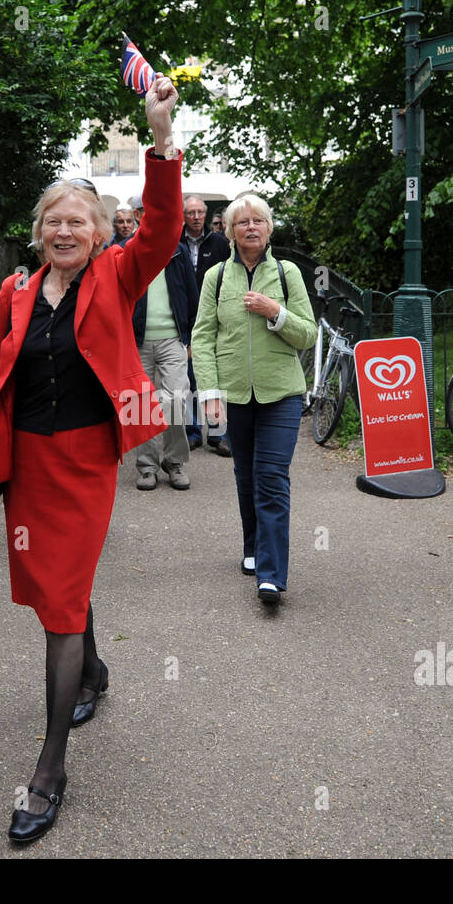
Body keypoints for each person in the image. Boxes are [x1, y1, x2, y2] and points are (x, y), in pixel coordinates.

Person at [0, 74, 183, 843]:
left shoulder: (119, 272)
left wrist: (160, 142)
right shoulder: (14, 294)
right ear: (39, 231)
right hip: (26, 466)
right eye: (54, 220)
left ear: (99, 233)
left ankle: (49, 768)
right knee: (57, 586)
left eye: (79, 220)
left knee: (58, 606)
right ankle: (98, 672)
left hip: (85, 462)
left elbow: (164, 230)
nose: (66, 230)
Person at [191, 194, 316, 603]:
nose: (250, 227)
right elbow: (203, 337)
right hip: (234, 394)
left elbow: (307, 334)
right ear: (229, 231)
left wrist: (274, 311)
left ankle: (271, 574)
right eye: (241, 222)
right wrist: (209, 393)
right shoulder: (215, 277)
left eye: (257, 220)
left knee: (271, 478)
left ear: (269, 227)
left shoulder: (287, 273)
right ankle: (252, 547)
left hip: (282, 392)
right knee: (245, 476)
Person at [132, 242, 197, 490]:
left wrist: (190, 338)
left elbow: (192, 294)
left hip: (173, 338)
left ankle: (175, 462)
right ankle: (147, 467)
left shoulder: (177, 251)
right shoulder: (131, 250)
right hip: (137, 340)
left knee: (176, 399)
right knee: (141, 403)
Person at [181, 195, 233, 456]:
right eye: (191, 212)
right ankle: (192, 431)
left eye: (200, 212)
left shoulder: (220, 243)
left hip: (214, 313)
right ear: (184, 216)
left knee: (217, 372)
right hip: (187, 314)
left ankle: (218, 433)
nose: (197, 217)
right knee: (189, 375)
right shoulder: (175, 242)